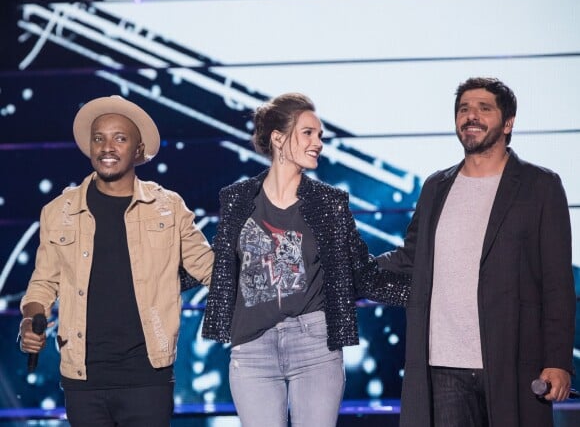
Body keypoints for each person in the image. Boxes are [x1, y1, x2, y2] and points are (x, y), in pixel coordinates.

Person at [202, 92, 410, 427]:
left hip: (314, 344)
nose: (318, 143)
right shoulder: (236, 199)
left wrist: (426, 293)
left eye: (320, 136)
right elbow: (219, 267)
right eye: (308, 133)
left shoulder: (330, 203)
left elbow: (364, 274)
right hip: (252, 348)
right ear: (278, 138)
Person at [378, 77, 575, 427]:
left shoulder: (540, 186)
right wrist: (352, 269)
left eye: (484, 108)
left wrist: (558, 360)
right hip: (443, 367)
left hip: (512, 361)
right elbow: (411, 258)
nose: (472, 116)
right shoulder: (436, 186)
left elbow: (558, 283)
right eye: (464, 109)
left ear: (508, 122)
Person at [19, 95, 214, 427]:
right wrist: (30, 319)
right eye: (99, 138)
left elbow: (211, 270)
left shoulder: (168, 207)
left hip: (147, 375)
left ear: (137, 150)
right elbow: (42, 284)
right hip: (83, 377)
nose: (107, 147)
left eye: (119, 138)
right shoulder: (59, 212)